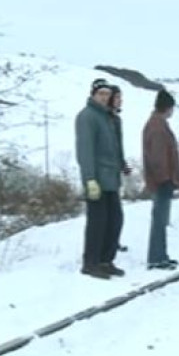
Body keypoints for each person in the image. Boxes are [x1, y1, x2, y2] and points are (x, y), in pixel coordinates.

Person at [75, 78, 126, 279]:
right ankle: (91, 263)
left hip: (111, 178)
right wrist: (89, 179)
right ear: (93, 94)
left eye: (107, 94)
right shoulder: (87, 117)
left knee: (114, 220)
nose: (105, 98)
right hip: (97, 179)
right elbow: (85, 149)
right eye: (101, 94)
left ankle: (106, 260)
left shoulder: (108, 117)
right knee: (97, 222)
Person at [142, 89, 179, 270]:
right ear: (168, 108)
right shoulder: (158, 127)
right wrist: (165, 179)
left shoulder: (156, 124)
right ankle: (156, 258)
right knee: (159, 220)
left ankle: (160, 256)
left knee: (160, 219)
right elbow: (158, 158)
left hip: (161, 179)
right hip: (162, 181)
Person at [108, 85, 132, 253]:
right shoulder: (106, 119)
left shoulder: (116, 119)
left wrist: (123, 164)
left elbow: (118, 146)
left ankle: (113, 241)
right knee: (113, 213)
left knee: (116, 213)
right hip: (105, 172)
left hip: (114, 170)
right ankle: (110, 243)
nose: (120, 101)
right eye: (117, 98)